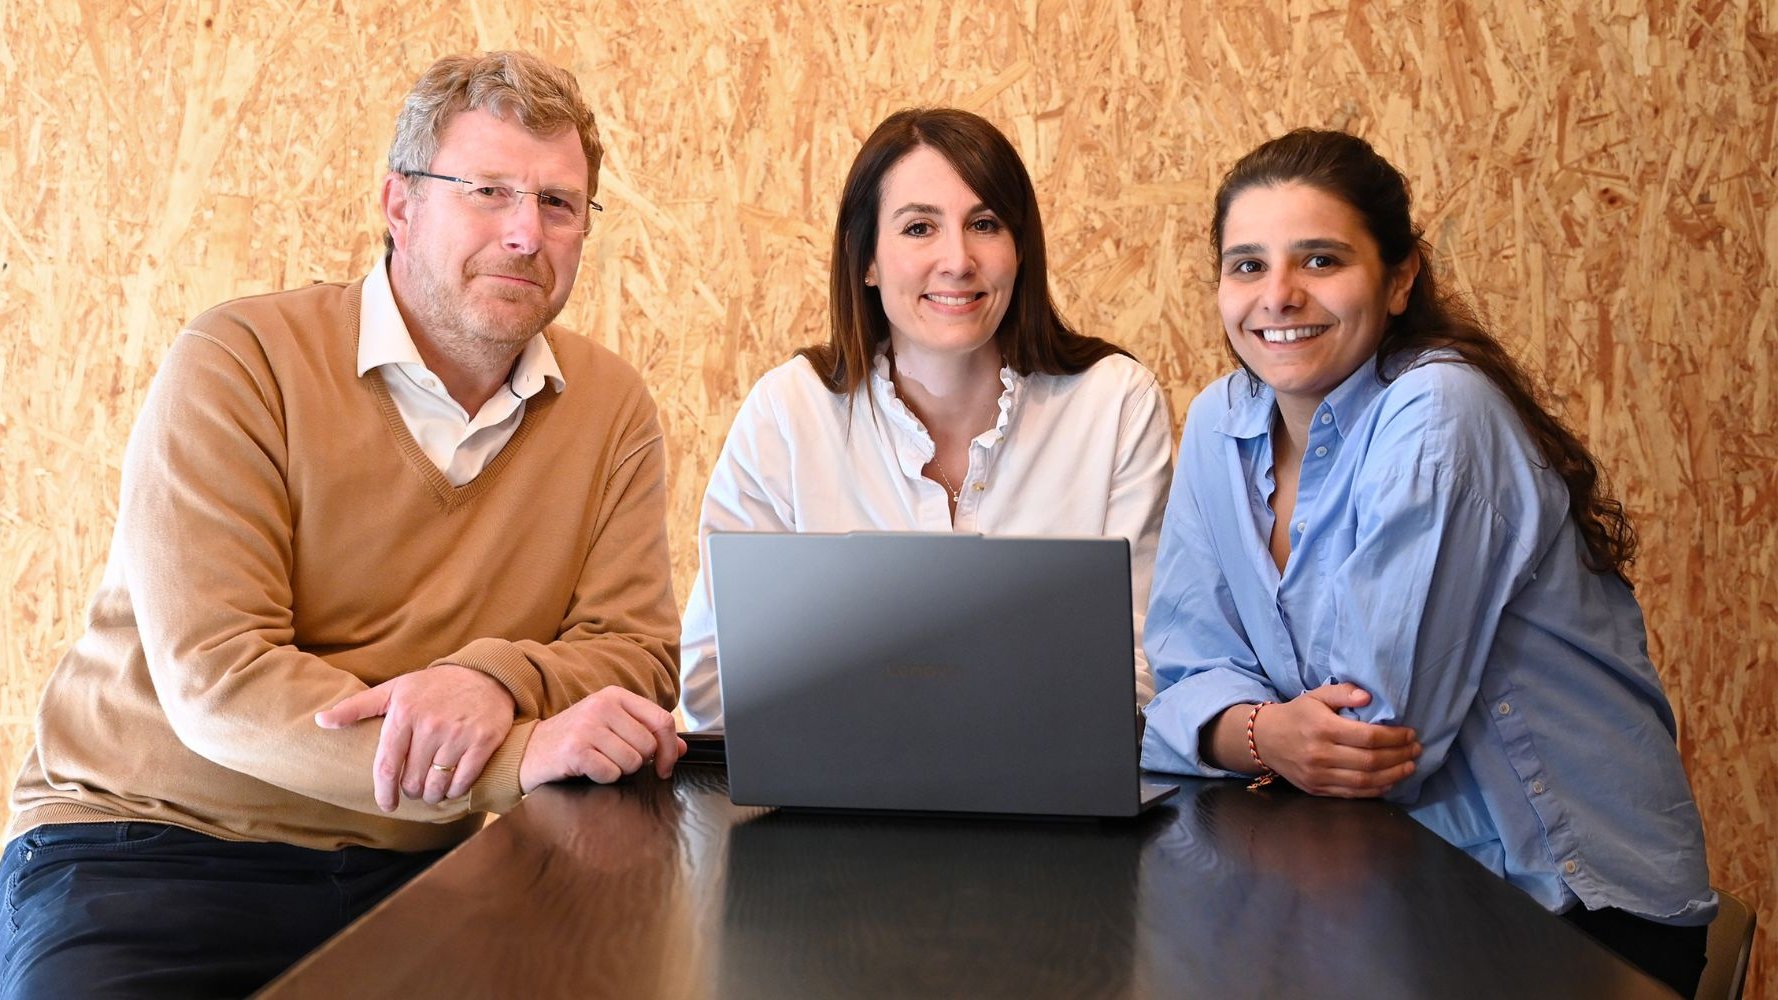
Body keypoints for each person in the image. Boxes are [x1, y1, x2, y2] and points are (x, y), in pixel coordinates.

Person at [1, 52, 686, 998]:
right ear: (399, 204)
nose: (526, 233)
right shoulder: (240, 361)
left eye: (559, 204)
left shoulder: (611, 408)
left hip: (410, 870)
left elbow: (635, 655)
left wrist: (486, 678)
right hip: (148, 848)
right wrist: (517, 750)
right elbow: (220, 681)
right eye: (487, 191)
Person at [1139, 128, 1715, 995]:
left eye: (1321, 260)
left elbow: (1375, 738)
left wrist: (1252, 731)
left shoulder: (1439, 410)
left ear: (1400, 277)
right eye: (1248, 265)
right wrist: (1265, 733)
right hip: (1380, 886)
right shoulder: (1220, 422)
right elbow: (1182, 671)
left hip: (1569, 909)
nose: (1279, 296)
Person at [678, 108, 1173, 730]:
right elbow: (711, 685)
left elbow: (1142, 672)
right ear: (868, 261)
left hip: (1050, 805)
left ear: (1020, 250)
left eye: (985, 224)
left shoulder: (1115, 404)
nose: (958, 259)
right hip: (835, 805)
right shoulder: (787, 411)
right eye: (919, 228)